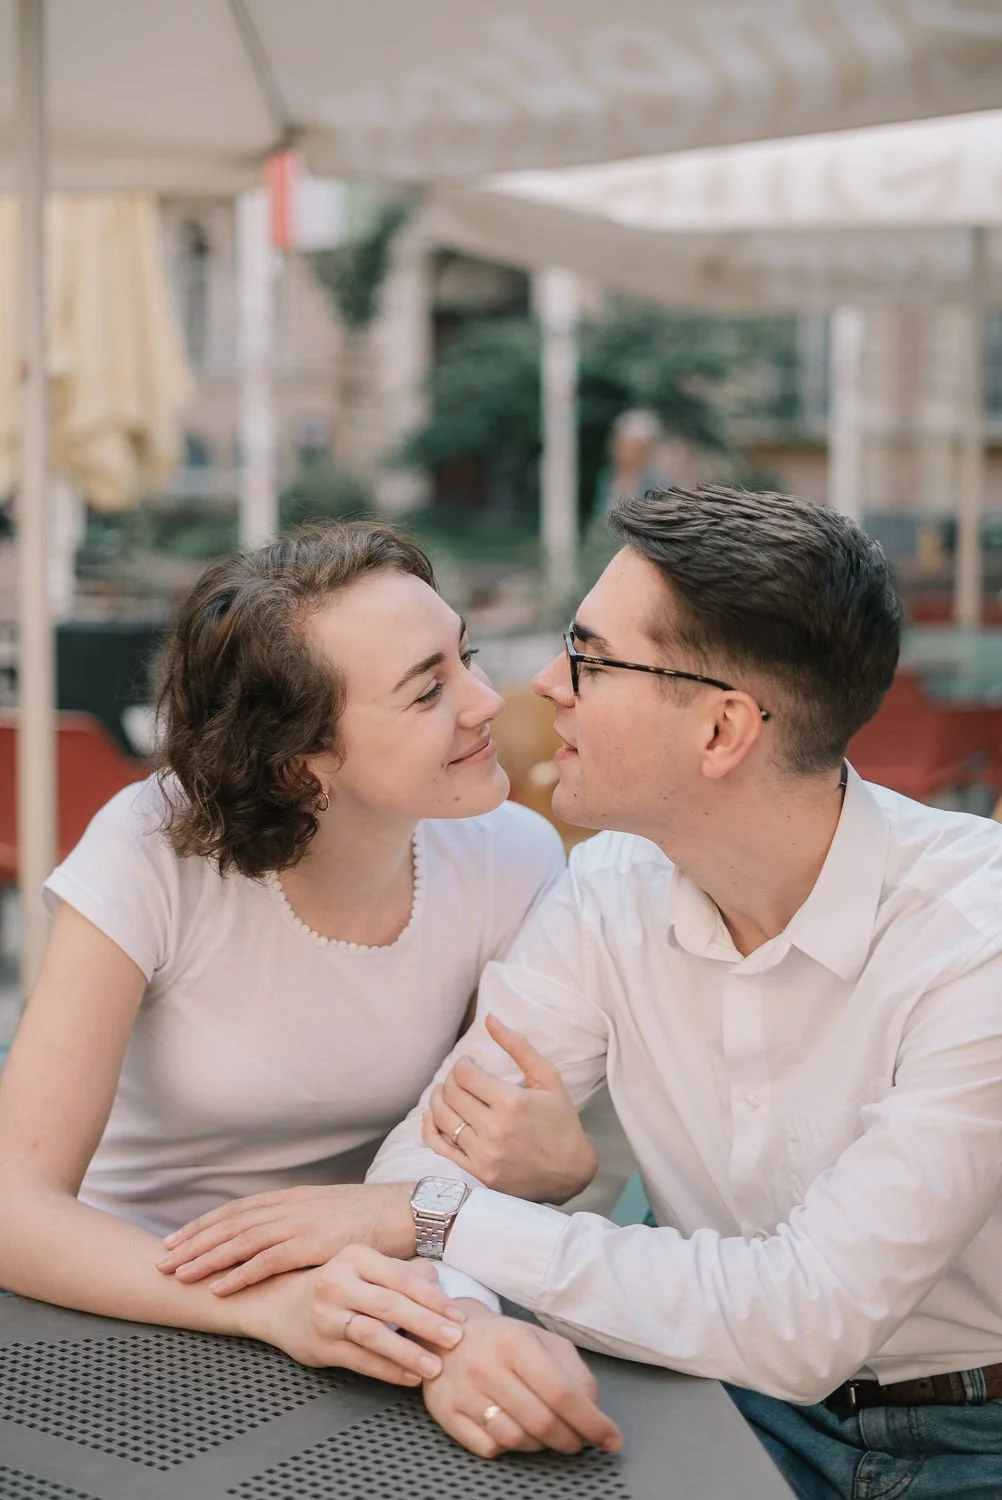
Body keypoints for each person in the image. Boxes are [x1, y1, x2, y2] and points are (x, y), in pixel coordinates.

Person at [164, 487, 1002, 1495]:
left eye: (592, 658)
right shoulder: (611, 888)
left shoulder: (975, 940)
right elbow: (429, 1158)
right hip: (709, 1394)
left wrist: (441, 1224)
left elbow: (806, 1320)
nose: (543, 685)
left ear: (722, 731)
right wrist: (463, 1326)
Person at [0, 519, 617, 1444]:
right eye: (426, 692)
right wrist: (270, 1305)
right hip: (126, 1299)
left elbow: (468, 1172)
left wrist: (485, 1287)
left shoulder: (511, 857)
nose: (487, 701)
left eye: (467, 657)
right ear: (301, 762)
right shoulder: (150, 850)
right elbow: (15, 1207)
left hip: (374, 1302)